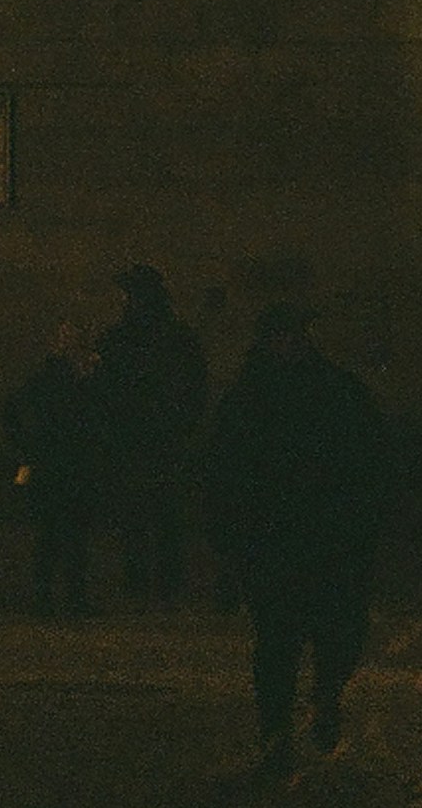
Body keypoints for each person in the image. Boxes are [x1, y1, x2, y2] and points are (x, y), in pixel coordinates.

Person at [206, 303, 390, 772]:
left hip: (327, 536)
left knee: (337, 635)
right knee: (277, 641)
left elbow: (369, 461)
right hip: (273, 539)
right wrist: (228, 537)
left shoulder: (337, 392)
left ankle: (325, 698)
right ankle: (276, 733)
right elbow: (222, 470)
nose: (287, 345)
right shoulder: (249, 398)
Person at [93, 265, 207, 604]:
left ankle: (143, 582)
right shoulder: (176, 338)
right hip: (157, 438)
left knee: (142, 515)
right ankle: (161, 583)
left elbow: (105, 389)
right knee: (159, 515)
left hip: (141, 438)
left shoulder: (123, 339)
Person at [7, 321, 107, 617]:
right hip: (67, 464)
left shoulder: (49, 380)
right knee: (68, 535)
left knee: (54, 534)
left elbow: (14, 412)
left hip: (55, 464)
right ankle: (66, 597)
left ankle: (49, 596)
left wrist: (29, 446)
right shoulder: (65, 382)